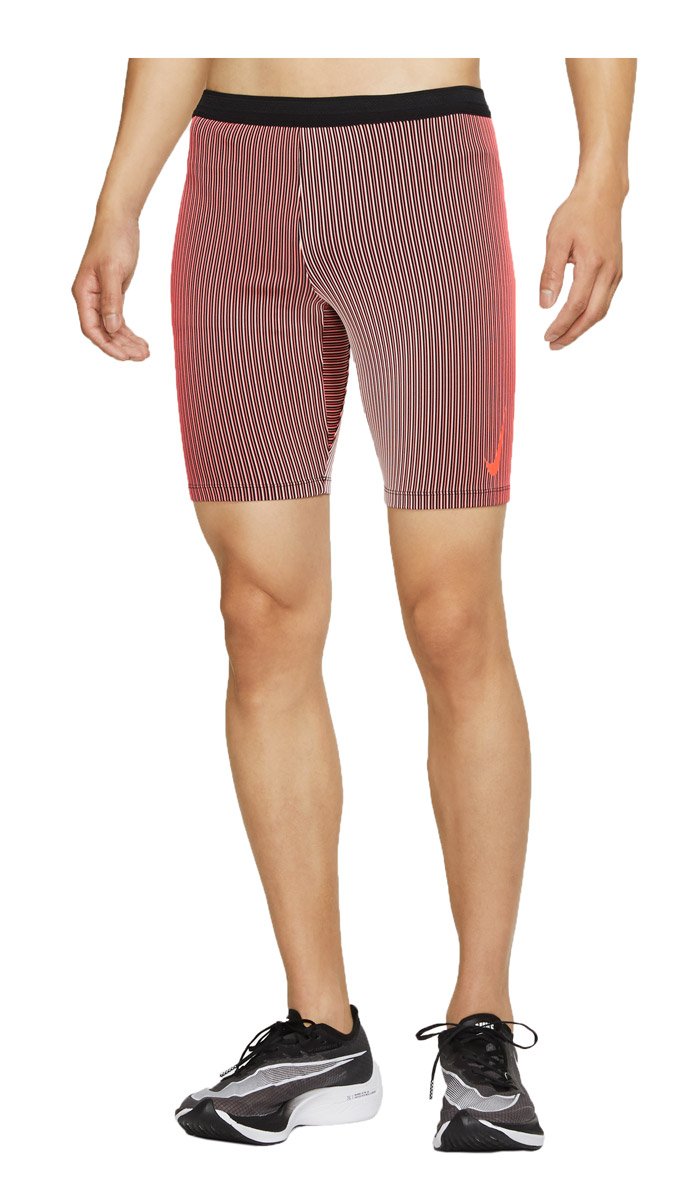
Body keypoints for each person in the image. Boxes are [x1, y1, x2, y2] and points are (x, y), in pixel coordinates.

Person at [72, 57, 636, 1153]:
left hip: (423, 169)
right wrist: (120, 197)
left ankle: (481, 1021)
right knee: (259, 611)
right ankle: (321, 1029)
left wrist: (604, 169)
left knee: (452, 611)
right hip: (232, 180)